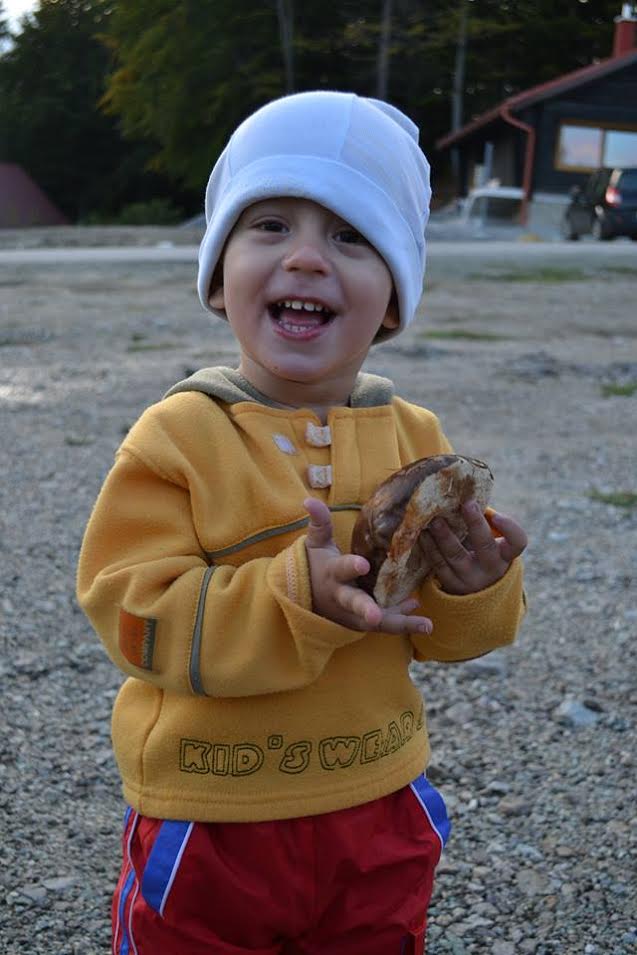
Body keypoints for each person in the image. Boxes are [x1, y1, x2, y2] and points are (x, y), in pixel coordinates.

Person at [77, 90, 527, 955]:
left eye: (351, 236)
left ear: (392, 298)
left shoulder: (417, 438)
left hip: (379, 796)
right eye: (270, 225)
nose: (307, 258)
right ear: (218, 275)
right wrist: (294, 597)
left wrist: (479, 586)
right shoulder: (179, 436)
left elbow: (443, 636)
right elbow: (130, 616)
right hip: (214, 809)